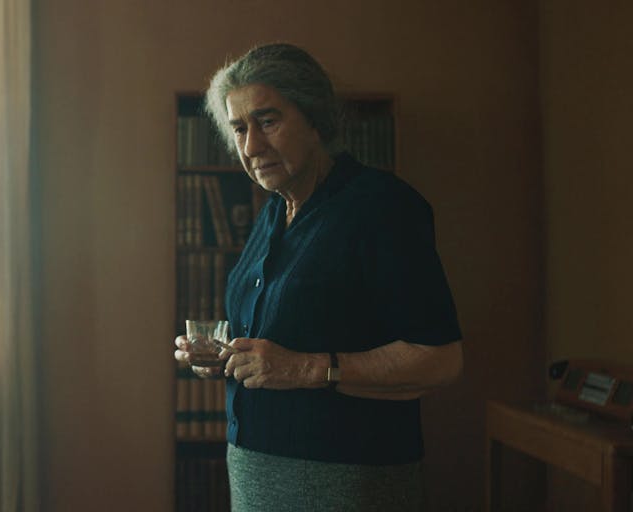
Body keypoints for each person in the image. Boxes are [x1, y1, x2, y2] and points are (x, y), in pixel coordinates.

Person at [174, 42, 463, 512]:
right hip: (255, 474)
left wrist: (304, 368)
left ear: (315, 120)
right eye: (239, 129)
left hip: (348, 482)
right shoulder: (272, 214)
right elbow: (285, 338)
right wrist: (226, 356)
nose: (250, 147)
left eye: (268, 122)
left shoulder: (381, 207)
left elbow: (441, 359)